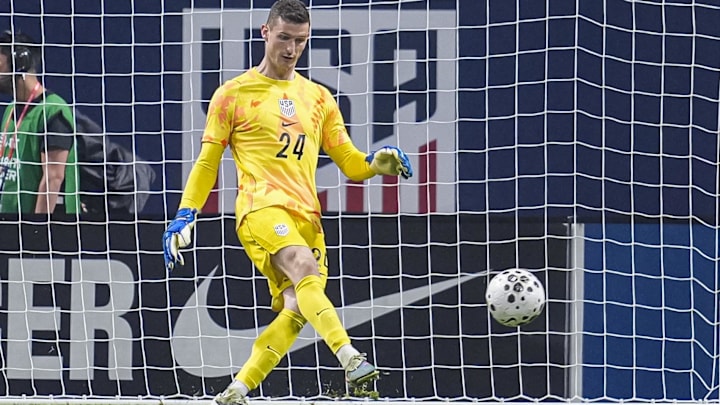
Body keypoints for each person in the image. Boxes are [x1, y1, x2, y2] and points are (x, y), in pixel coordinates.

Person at [161, 0, 413, 404]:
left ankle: (237, 389)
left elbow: (349, 161)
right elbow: (208, 161)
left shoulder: (318, 98)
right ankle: (351, 359)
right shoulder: (233, 94)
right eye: (284, 38)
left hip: (306, 215)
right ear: (265, 33)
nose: (291, 49)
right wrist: (185, 213)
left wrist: (375, 164)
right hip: (259, 208)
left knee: (298, 308)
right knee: (303, 266)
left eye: (300, 41)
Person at [0, 30, 79, 214]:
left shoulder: (52, 110)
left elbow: (53, 178)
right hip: (11, 225)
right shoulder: (11, 109)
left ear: (20, 63)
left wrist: (37, 233)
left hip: (48, 231)